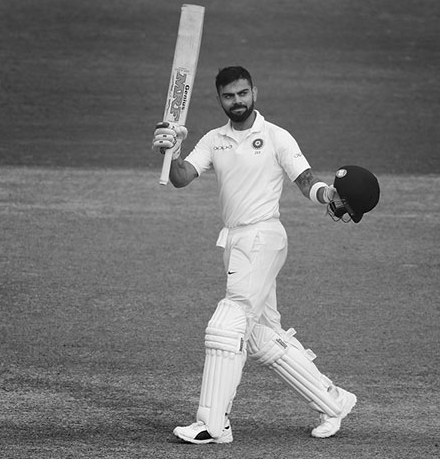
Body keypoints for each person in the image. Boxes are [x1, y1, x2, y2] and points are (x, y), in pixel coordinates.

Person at [152, 66, 362, 444]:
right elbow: (182, 177)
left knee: (226, 324)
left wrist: (329, 195)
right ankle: (334, 402)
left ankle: (214, 423)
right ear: (219, 99)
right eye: (229, 96)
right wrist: (171, 151)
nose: (238, 101)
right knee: (262, 336)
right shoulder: (214, 140)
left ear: (255, 92)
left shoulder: (276, 136)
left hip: (263, 237)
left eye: (243, 93)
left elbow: (306, 181)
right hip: (235, 242)